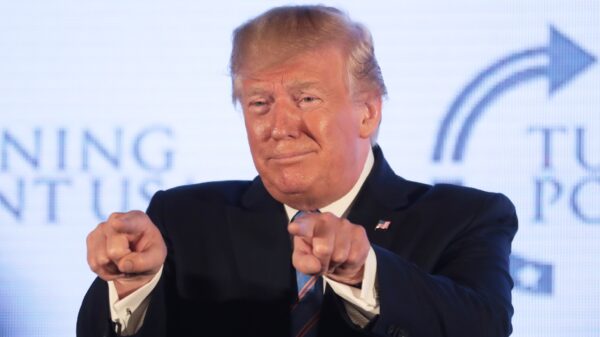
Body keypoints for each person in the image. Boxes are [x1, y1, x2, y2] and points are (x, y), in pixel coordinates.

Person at [77, 5, 517, 337]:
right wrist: (132, 284)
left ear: (367, 112)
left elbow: (484, 326)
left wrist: (364, 272)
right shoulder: (182, 220)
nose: (280, 128)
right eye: (259, 104)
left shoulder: (464, 218)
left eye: (307, 99)